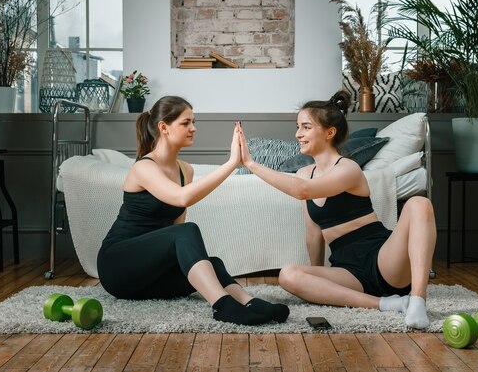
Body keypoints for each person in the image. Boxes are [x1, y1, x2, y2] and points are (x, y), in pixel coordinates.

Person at [238, 91, 436, 329]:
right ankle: (386, 304)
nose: (298, 134)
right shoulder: (304, 173)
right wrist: (317, 277)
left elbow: (302, 190)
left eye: (306, 127)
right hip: (347, 270)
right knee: (288, 275)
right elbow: (313, 233)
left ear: (329, 133)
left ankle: (417, 300)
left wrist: (250, 163)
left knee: (419, 203)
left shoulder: (348, 168)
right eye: (298, 127)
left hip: (382, 259)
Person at [97, 95, 289, 326]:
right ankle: (222, 306)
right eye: (185, 123)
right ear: (163, 127)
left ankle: (249, 303)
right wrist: (231, 164)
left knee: (212, 263)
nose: (194, 128)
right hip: (118, 267)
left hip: (148, 277)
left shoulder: (184, 170)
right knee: (188, 232)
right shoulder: (144, 167)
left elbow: (176, 228)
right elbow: (182, 199)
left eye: (193, 122)